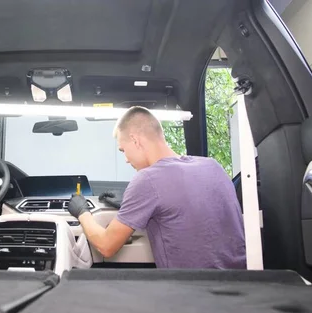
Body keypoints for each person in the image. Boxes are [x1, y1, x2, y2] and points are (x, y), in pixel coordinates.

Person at [67, 106, 246, 269]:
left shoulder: (147, 179)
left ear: (135, 140)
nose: (126, 159)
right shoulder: (213, 166)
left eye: (123, 150)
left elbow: (106, 246)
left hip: (191, 294)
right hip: (242, 288)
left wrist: (82, 212)